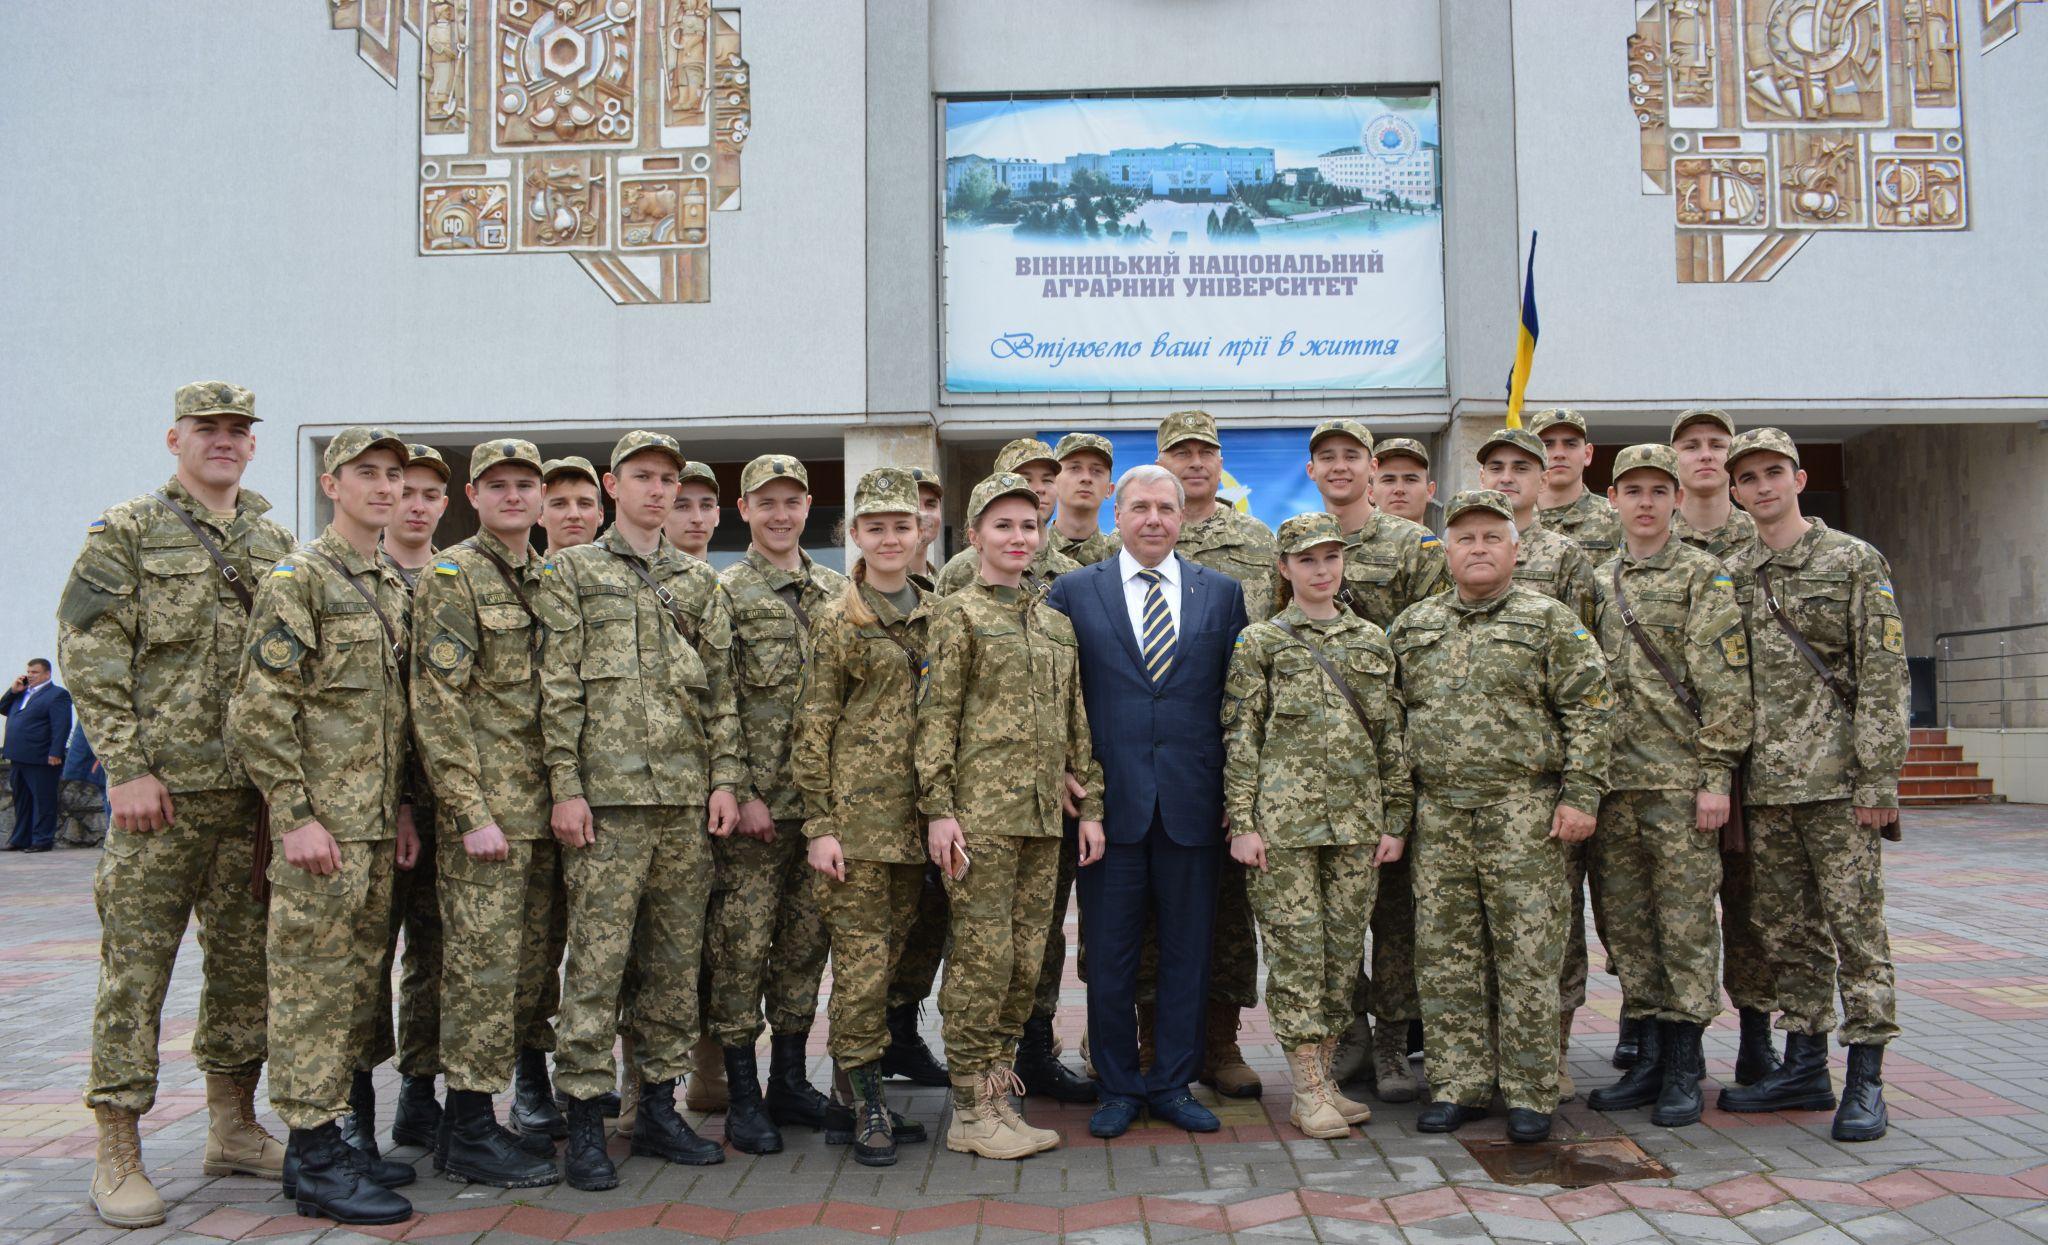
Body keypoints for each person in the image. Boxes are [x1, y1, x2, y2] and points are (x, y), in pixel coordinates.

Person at [58, 381, 293, 1228]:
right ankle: (117, 1147)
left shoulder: (274, 538)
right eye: (208, 429)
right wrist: (124, 766)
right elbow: (88, 651)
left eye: (238, 430)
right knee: (137, 971)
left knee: (244, 968)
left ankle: (232, 1124)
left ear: (253, 444)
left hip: (248, 798)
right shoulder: (125, 530)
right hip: (157, 797)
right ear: (175, 437)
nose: (224, 441)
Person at [537, 430, 744, 1190]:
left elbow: (721, 694)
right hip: (608, 805)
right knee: (594, 966)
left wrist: (725, 781)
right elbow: (557, 685)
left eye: (668, 478)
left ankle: (656, 1105)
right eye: (643, 477)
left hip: (684, 803)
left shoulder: (698, 583)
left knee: (670, 966)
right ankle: (586, 1119)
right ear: (611, 484)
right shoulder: (571, 571)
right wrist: (566, 785)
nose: (658, 491)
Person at [228, 426, 418, 1225]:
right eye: (365, 474)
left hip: (376, 826)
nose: (384, 488)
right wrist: (295, 813)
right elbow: (258, 708)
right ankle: (311, 1153)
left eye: (394, 476)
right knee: (310, 987)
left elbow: (402, 715)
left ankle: (343, 1140)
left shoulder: (395, 584)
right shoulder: (299, 577)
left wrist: (404, 805)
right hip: (321, 831)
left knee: (356, 989)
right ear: (331, 484)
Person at [1390, 489, 1613, 1145]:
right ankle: (1459, 1085)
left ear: (1516, 548)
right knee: (1446, 957)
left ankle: (1530, 1089)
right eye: (1466, 538)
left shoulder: (1551, 621)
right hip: (1441, 814)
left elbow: (1591, 711)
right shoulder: (1413, 627)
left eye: (1493, 536)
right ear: (1448, 550)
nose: (1479, 547)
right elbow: (1389, 722)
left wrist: (1582, 794)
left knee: (1527, 954)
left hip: (1527, 810)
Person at [1716, 427, 1908, 1143]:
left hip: (1839, 786)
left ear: (1798, 478)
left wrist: (1879, 776)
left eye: (1774, 472)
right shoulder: (1731, 569)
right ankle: (1803, 1062)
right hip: (1764, 788)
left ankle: (1866, 1076)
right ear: (1734, 491)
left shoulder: (1852, 561)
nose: (1762, 486)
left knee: (1858, 931)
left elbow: (1885, 675)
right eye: (1749, 477)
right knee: (1787, 932)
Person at [1046, 463, 1248, 1140]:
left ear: (1183, 515)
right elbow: (1057, 697)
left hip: (1194, 804)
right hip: (1110, 811)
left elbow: (1235, 702)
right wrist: (1070, 775)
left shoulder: (1221, 594)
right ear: (1118, 513)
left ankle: (1172, 1081)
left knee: (1189, 952)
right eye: (1141, 507)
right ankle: (1118, 1083)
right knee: (1109, 955)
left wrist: (1236, 795)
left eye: (1167, 506)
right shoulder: (1074, 592)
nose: (1155, 518)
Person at [916, 473, 1104, 1160]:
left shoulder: (1054, 622)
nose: (1019, 537)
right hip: (980, 818)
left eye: (1029, 526)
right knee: (980, 962)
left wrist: (1090, 805)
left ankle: (998, 1094)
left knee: (1026, 964)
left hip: (1040, 822)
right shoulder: (955, 613)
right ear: (974, 537)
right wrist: (938, 810)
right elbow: (936, 719)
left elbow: (1075, 724)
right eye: (1003, 526)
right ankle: (969, 1109)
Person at [1223, 512, 1411, 1138]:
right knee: (1298, 956)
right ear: (1283, 568)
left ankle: (1326, 1078)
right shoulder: (1262, 644)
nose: (1322, 570)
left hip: (1356, 827)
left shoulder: (1371, 641)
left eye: (1331, 558)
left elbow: (1390, 737)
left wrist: (1396, 816)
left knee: (1339, 958)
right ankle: (1306, 1090)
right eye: (1307, 559)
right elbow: (1241, 736)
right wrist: (1243, 822)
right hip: (1284, 830)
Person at [407, 438, 564, 1188]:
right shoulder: (453, 575)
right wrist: (469, 810)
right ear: (472, 495)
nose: (512, 496)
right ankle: (467, 1122)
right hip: (489, 816)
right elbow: (437, 703)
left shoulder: (552, 576)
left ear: (540, 496)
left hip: (546, 812)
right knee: (480, 969)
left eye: (524, 484)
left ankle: (489, 1115)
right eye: (496, 484)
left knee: (530, 974)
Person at [1584, 445, 1752, 1128]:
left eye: (1659, 489)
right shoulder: (1596, 580)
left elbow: (1725, 686)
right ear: (1614, 498)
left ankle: (1686, 1063)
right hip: (1613, 786)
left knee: (1683, 928)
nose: (1646, 502)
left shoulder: (1702, 576)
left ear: (1678, 497)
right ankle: (1650, 1055)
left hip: (1681, 786)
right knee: (1626, 928)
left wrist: (1716, 777)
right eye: (1633, 490)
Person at [790, 467, 935, 1166]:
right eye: (874, 526)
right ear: (855, 535)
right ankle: (869, 1104)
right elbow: (812, 726)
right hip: (857, 828)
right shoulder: (837, 617)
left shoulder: (938, 610)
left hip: (918, 826)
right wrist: (819, 825)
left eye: (900, 525)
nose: (888, 537)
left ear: (920, 532)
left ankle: (853, 1100)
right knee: (860, 969)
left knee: (896, 965)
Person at [706, 454, 845, 1154]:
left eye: (792, 501)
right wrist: (743, 787)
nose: (781, 513)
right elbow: (718, 696)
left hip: (821, 810)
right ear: (745, 509)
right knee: (742, 948)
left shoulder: (838, 591)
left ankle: (790, 1079)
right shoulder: (724, 591)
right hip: (757, 815)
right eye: (767, 503)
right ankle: (742, 1096)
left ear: (809, 505)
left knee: (802, 947)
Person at [1306, 418, 1445, 1101]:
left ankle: (1394, 1045)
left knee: (1394, 912)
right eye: (1326, 457)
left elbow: (1434, 637)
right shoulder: (1303, 538)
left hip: (1394, 747)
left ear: (1370, 467)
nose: (1339, 467)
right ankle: (1349, 1029)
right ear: (1311, 471)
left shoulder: (1413, 544)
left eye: (1351, 456)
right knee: (1327, 914)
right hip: (1321, 766)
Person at [1475, 425, 1599, 1100]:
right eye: (1494, 465)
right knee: (1485, 931)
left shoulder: (1566, 558)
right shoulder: (1459, 549)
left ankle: (1550, 1050)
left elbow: (1588, 677)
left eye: (1520, 466)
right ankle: (1494, 1055)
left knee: (1554, 929)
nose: (1506, 476)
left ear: (1542, 475)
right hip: (1478, 785)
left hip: (1545, 784)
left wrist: (1579, 785)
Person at [1158, 409, 1273, 1099]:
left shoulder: (1258, 542)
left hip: (1233, 744)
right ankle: (1151, 1038)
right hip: (1157, 748)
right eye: (1181, 452)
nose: (1195, 463)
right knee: (1151, 909)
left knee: (1230, 904)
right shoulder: (1134, 536)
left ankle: (1221, 1042)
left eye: (1206, 452)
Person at [1667, 407, 1777, 1087]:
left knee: (1751, 905)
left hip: (1761, 761)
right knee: (1670, 911)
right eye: (1692, 445)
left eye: (1717, 445)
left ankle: (1758, 1036)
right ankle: (1660, 1041)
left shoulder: (1757, 539)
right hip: (1673, 762)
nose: (1705, 455)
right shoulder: (1649, 537)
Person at [350, 443, 451, 1163]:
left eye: (427, 493)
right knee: (362, 958)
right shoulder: (355, 578)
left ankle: (420, 1097)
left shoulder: (457, 577)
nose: (413, 503)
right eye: (402, 489)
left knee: (437, 957)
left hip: (449, 802)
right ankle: (351, 1110)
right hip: (371, 806)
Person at [881, 467, 953, 1090]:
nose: (922, 516)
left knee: (930, 922)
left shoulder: (946, 593)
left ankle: (902, 1034)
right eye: (910, 507)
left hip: (940, 795)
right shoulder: (849, 603)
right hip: (874, 799)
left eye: (929, 505)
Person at [936, 439, 1081, 596]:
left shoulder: (1074, 574)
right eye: (1025, 479)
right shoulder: (960, 570)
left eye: (1047, 480)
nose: (1039, 488)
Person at [1530, 408, 1623, 558]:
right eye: (1547, 445)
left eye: (1570, 444)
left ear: (1587, 454)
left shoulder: (1618, 519)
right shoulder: (1513, 520)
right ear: (1531, 454)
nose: (1559, 454)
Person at [3, 658, 71, 852]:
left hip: (41, 757)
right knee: (22, 800)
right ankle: (20, 839)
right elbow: (2, 709)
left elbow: (61, 725)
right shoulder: (22, 693)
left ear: (47, 674)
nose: (30, 675)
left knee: (43, 800)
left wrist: (56, 752)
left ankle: (42, 840)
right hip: (18, 756)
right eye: (29, 672)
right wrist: (12, 691)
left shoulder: (57, 695)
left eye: (35, 672)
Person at [1048, 433, 1121, 565]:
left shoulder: (1120, 556)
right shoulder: (1032, 551)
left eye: (1096, 471)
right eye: (1074, 468)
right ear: (1053, 482)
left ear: (1109, 490)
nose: (1086, 478)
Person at [1370, 437, 1439, 529]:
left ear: (1430, 491)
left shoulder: (1444, 544)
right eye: (1388, 480)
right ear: (1370, 493)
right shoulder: (1349, 543)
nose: (1399, 489)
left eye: (1411, 480)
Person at [539, 457, 604, 552]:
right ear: (540, 514)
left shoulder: (626, 566)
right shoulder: (523, 567)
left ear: (600, 514)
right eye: (559, 504)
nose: (574, 515)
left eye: (584, 504)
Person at [667, 460, 722, 560]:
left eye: (706, 506)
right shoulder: (636, 575)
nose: (697, 519)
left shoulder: (727, 576)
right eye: (683, 506)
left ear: (717, 515)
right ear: (662, 514)